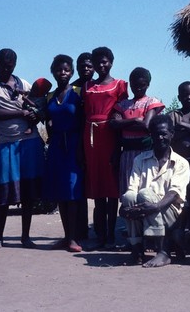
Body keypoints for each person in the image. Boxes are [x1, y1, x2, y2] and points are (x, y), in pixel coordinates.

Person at [0, 48, 45, 249]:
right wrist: (22, 112)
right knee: (4, 191)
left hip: (30, 142)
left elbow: (36, 107)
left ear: (15, 64)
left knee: (28, 192)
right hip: (8, 143)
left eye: (10, 64)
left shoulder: (24, 84)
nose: (6, 68)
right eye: (2, 64)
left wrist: (33, 114)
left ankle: (25, 237)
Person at [120, 114, 190, 267]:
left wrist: (156, 206)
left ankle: (163, 252)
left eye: (164, 133)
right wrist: (125, 206)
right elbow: (132, 188)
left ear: (172, 134)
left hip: (171, 215)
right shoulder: (140, 159)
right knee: (129, 197)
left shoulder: (181, 163)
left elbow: (174, 193)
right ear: (150, 135)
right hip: (146, 208)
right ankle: (137, 250)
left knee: (145, 194)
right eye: (156, 134)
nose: (160, 137)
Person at [82, 47, 128, 250]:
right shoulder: (87, 86)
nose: (102, 65)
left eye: (105, 61)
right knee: (98, 189)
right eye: (98, 62)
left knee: (111, 190)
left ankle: (111, 234)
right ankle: (100, 235)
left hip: (110, 137)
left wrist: (117, 147)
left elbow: (121, 115)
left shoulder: (120, 85)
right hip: (90, 139)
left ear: (112, 62)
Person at [44, 54, 84, 252]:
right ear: (53, 72)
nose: (63, 73)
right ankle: (66, 236)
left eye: (66, 69)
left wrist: (80, 148)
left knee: (73, 191)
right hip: (57, 146)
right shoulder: (50, 96)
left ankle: (74, 238)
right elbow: (47, 118)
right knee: (61, 192)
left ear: (72, 72)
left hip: (74, 144)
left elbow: (83, 120)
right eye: (59, 70)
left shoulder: (78, 92)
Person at [110, 67, 165, 195]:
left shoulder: (151, 102)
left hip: (145, 153)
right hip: (127, 154)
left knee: (143, 189)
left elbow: (146, 125)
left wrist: (123, 124)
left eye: (142, 85)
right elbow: (113, 123)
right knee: (127, 190)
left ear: (148, 85)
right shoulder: (123, 104)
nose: (138, 88)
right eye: (135, 85)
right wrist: (135, 120)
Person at [69, 52, 94, 241]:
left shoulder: (98, 86)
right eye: (82, 65)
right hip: (75, 139)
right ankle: (80, 230)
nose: (86, 69)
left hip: (97, 140)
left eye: (89, 65)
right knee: (78, 185)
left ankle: (99, 229)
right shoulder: (72, 89)